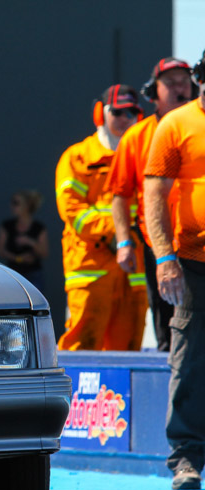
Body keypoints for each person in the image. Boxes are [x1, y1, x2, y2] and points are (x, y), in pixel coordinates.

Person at [143, 49, 205, 490]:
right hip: (193, 263)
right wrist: (164, 258)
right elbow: (155, 195)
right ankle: (186, 457)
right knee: (189, 360)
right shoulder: (176, 125)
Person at [106, 58, 195, 352]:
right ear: (153, 92)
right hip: (159, 245)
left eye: (184, 82)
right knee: (167, 321)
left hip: (198, 240)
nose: (179, 88)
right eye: (170, 83)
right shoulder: (136, 137)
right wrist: (123, 242)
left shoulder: (199, 127)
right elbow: (120, 194)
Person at [55, 84, 143, 351]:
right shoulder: (77, 158)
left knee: (128, 348)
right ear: (99, 113)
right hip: (90, 268)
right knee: (82, 343)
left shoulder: (142, 158)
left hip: (132, 271)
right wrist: (118, 232)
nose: (125, 119)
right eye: (117, 112)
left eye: (131, 113)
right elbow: (73, 212)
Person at [0, 190, 48, 293]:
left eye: (16, 203)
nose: (12, 206)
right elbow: (0, 250)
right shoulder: (7, 226)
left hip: (34, 275)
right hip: (13, 274)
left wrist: (30, 242)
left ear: (26, 206)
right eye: (12, 202)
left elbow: (44, 253)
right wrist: (18, 258)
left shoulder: (39, 227)